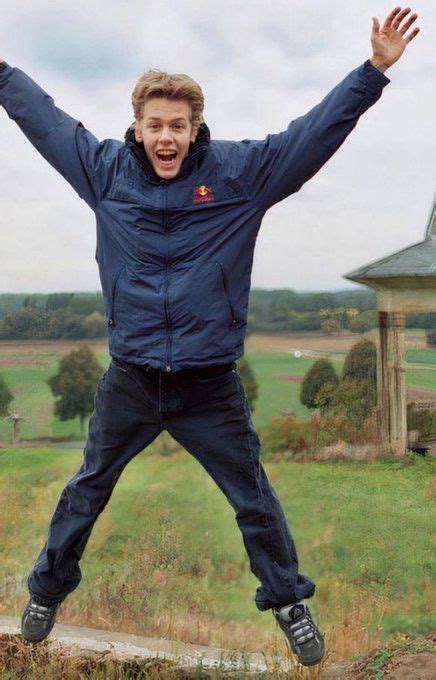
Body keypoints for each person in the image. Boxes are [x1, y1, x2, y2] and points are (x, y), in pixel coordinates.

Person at [1, 6, 419, 667]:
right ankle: (46, 590)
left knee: (252, 495)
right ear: (137, 128)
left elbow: (310, 137)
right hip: (131, 382)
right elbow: (45, 120)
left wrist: (372, 72)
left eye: (178, 124)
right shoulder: (105, 172)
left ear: (195, 127)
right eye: (154, 124)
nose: (166, 135)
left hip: (208, 386)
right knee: (87, 488)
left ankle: (289, 603)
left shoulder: (237, 176)